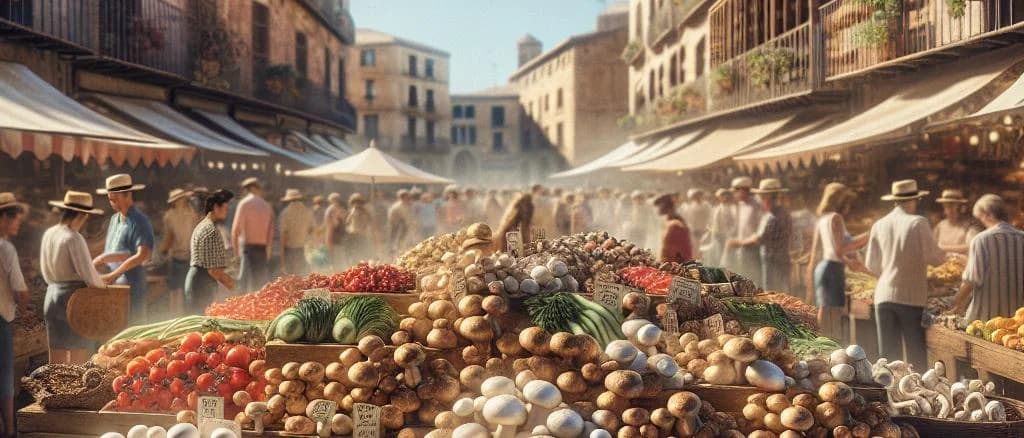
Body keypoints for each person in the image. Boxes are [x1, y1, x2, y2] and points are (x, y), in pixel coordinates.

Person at [866, 179, 945, 370]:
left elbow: (871, 265)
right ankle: (918, 396)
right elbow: (935, 258)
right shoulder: (918, 222)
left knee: (889, 358)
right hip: (910, 297)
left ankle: (891, 397)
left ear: (895, 200)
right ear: (914, 200)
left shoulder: (879, 224)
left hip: (883, 295)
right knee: (916, 356)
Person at [40, 190, 106, 364]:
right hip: (73, 300)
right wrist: (102, 287)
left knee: (57, 355)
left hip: (52, 294)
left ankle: (56, 390)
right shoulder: (74, 238)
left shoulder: (49, 234)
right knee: (78, 352)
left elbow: (45, 271)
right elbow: (88, 274)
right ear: (81, 216)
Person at [806, 183, 868, 341]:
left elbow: (816, 252)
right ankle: (835, 345)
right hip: (833, 269)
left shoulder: (821, 220)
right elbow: (840, 249)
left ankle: (822, 343)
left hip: (822, 268)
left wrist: (809, 278)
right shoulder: (836, 218)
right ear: (840, 200)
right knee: (834, 313)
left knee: (824, 310)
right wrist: (870, 234)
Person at [93, 174, 154, 324]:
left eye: (116, 199)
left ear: (128, 195)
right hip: (113, 284)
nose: (112, 203)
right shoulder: (114, 219)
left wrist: (114, 274)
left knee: (133, 328)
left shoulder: (140, 221)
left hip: (131, 285)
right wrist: (99, 261)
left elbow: (141, 255)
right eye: (110, 200)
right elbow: (117, 252)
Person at [952, 195, 1024, 322]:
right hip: (1017, 322)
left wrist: (954, 303)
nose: (982, 223)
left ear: (986, 214)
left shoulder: (981, 240)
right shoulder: (1021, 237)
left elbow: (970, 281)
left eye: (980, 219)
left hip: (986, 320)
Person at [728, 179, 793, 292]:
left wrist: (738, 243)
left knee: (772, 292)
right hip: (780, 257)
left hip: (772, 259)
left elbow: (759, 238)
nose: (761, 200)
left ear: (769, 198)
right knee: (781, 290)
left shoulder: (772, 216)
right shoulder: (783, 212)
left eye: (763, 197)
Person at [0, 193, 27, 438]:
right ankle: (9, 429)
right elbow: (19, 289)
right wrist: (24, 311)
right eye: (14, 218)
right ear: (3, 218)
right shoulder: (5, 248)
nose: (17, 222)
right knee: (6, 375)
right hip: (2, 318)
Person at [185, 190, 237, 315]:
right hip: (201, 284)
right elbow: (214, 271)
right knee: (201, 325)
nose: (227, 211)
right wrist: (235, 287)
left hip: (197, 280)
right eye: (225, 207)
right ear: (215, 207)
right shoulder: (211, 231)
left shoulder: (203, 226)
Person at [157, 189, 199, 314]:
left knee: (176, 291)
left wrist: (161, 252)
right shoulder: (192, 215)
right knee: (186, 290)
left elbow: (167, 240)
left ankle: (175, 317)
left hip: (179, 257)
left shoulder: (169, 216)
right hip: (188, 257)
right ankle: (184, 317)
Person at [231, 177, 274, 293]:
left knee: (245, 287)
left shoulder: (244, 204)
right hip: (262, 249)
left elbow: (235, 230)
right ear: (257, 188)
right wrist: (268, 252)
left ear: (248, 189)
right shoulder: (267, 206)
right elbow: (271, 233)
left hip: (248, 249)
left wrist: (236, 254)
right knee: (259, 287)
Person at [724, 176, 762, 280]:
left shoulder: (757, 206)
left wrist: (741, 242)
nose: (734, 194)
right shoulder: (738, 206)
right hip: (740, 250)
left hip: (753, 250)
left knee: (753, 279)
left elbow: (759, 232)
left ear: (743, 190)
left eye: (736, 191)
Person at [934, 189, 981, 255]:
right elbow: (933, 246)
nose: (950, 210)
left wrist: (943, 248)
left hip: (963, 263)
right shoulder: (940, 225)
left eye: (953, 206)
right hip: (942, 263)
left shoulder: (971, 225)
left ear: (961, 207)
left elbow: (972, 246)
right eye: (947, 206)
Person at [278, 189, 314, 275]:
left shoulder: (285, 213)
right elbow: (311, 229)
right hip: (303, 249)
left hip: (290, 250)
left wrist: (282, 260)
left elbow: (284, 235)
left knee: (292, 279)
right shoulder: (307, 211)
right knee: (303, 277)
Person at [653, 194, 693, 263]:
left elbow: (678, 251)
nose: (657, 209)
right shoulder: (670, 221)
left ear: (665, 207)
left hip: (675, 266)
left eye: (659, 206)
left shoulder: (675, 225)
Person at [702, 188, 735, 266]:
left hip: (725, 236)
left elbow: (733, 224)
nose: (722, 198)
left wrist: (729, 234)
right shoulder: (716, 208)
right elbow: (711, 222)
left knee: (724, 258)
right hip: (716, 236)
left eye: (723, 196)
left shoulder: (731, 208)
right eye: (720, 196)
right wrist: (710, 230)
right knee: (715, 256)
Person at [346, 193, 376, 262]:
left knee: (361, 249)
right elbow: (347, 221)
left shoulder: (364, 211)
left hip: (362, 234)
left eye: (359, 202)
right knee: (354, 249)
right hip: (353, 233)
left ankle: (360, 260)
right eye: (355, 202)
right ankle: (354, 261)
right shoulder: (352, 210)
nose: (357, 204)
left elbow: (370, 220)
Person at [685, 189, 712, 258]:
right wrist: (692, 229)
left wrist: (706, 229)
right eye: (695, 196)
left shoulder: (706, 205)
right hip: (694, 231)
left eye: (699, 196)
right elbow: (689, 219)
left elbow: (710, 218)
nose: (697, 198)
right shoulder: (691, 206)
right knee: (694, 249)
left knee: (704, 250)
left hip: (704, 231)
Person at [387, 189, 415, 255]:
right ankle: (394, 253)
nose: (407, 198)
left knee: (405, 241)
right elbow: (391, 217)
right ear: (401, 197)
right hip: (397, 226)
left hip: (406, 226)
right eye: (405, 196)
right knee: (396, 241)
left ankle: (402, 251)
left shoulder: (409, 205)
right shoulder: (396, 207)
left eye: (408, 197)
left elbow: (411, 216)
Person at [324, 193, 347, 269]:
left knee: (335, 260)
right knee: (339, 260)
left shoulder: (331, 210)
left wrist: (328, 239)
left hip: (335, 237)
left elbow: (330, 226)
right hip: (339, 237)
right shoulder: (341, 209)